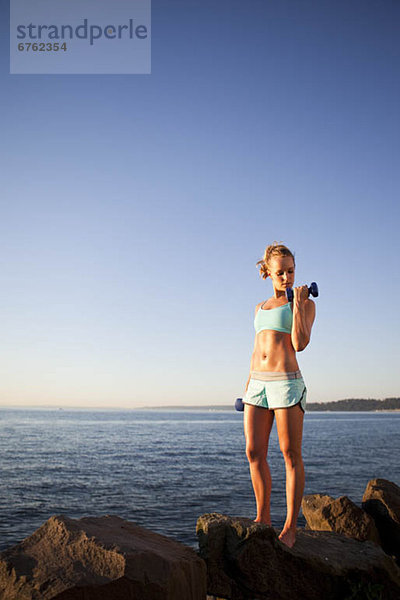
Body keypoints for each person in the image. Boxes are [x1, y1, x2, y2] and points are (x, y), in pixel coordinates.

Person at [243, 242, 316, 548]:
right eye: (280, 272)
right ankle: (263, 517)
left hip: (286, 383)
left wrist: (298, 303)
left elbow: (299, 344)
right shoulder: (259, 308)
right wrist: (248, 385)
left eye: (291, 271)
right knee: (254, 452)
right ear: (267, 273)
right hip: (257, 384)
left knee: (290, 454)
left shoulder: (305, 303)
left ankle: (290, 527)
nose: (286, 277)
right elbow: (257, 349)